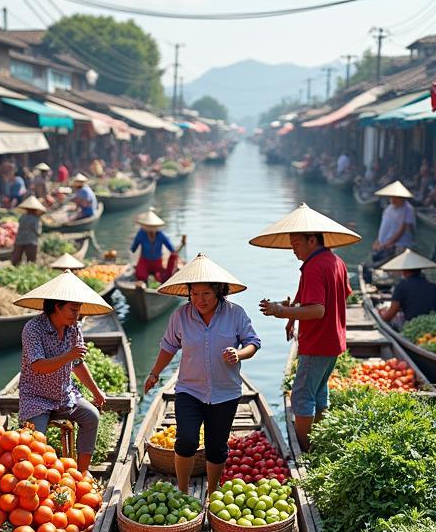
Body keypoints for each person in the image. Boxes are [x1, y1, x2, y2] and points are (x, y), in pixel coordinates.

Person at [145, 254, 261, 493]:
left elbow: (253, 342)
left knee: (216, 447)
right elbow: (168, 346)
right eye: (194, 294)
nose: (200, 299)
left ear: (218, 291)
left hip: (225, 392)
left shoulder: (235, 314)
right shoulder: (180, 316)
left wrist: (239, 354)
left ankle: (212, 493)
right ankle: (184, 492)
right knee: (186, 440)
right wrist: (154, 374)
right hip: (189, 390)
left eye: (206, 294)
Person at [253, 205, 358, 451]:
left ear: (312, 240)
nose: (294, 250)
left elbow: (317, 310)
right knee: (319, 393)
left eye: (297, 244)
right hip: (334, 341)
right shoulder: (336, 261)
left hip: (318, 342)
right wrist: (291, 315)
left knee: (301, 396)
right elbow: (340, 296)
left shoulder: (313, 267)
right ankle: (321, 444)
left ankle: (306, 450)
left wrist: (282, 311)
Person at [15, 271, 110, 474]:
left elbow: (77, 364)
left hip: (65, 395)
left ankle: (81, 474)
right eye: (73, 310)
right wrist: (69, 355)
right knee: (36, 444)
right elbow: (38, 366)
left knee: (91, 416)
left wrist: (96, 392)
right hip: (36, 398)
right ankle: (37, 480)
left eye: (78, 310)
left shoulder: (73, 329)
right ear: (57, 307)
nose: (77, 315)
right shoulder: (33, 329)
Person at [377, 250, 436, 322]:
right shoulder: (432, 286)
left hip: (413, 324)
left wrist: (380, 313)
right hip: (435, 321)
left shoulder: (401, 287)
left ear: (404, 271)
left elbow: (389, 316)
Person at [130, 208, 182, 283]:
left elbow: (170, 247)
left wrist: (174, 253)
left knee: (160, 278)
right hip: (144, 261)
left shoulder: (161, 235)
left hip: (157, 262)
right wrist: (133, 249)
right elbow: (134, 247)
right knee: (141, 276)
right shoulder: (141, 233)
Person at [372, 181, 416, 264]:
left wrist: (390, 243)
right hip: (384, 244)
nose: (392, 199)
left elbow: (402, 229)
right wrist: (378, 240)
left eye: (394, 197)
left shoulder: (408, 209)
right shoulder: (389, 208)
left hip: (399, 245)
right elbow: (383, 226)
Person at [12, 195, 45, 265]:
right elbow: (38, 231)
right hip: (31, 241)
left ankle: (15, 268)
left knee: (16, 259)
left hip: (20, 239)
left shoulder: (22, 217)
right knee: (31, 260)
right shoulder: (36, 219)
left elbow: (20, 226)